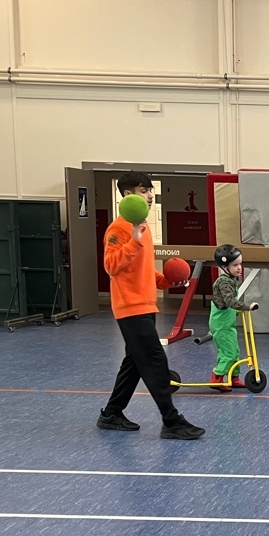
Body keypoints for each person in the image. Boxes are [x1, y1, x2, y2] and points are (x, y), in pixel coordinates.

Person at [97, 171, 204, 439]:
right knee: (155, 360)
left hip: (146, 305)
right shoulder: (119, 229)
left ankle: (111, 413)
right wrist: (133, 240)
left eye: (150, 189)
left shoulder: (143, 227)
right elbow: (111, 266)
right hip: (130, 307)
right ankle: (172, 421)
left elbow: (142, 269)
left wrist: (165, 281)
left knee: (134, 362)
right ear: (128, 195)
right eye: (143, 190)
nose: (150, 195)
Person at [209, 244, 258, 386]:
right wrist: (247, 307)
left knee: (234, 351)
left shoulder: (229, 280)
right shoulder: (223, 282)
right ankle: (217, 377)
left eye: (240, 264)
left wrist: (237, 311)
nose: (239, 268)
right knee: (228, 352)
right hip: (221, 325)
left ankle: (234, 377)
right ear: (225, 267)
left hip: (227, 323)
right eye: (235, 265)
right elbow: (229, 301)